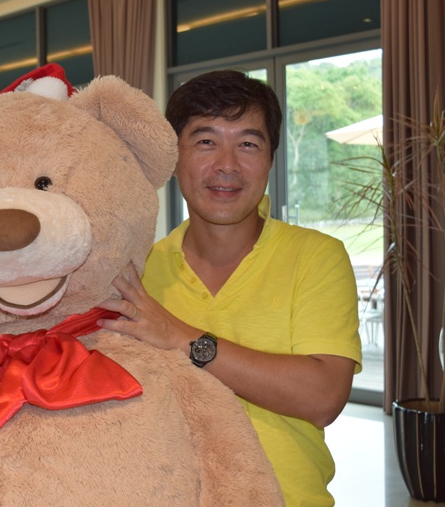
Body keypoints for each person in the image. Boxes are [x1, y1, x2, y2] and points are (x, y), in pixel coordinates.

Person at [98, 70, 362, 506]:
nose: (227, 165)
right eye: (206, 141)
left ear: (271, 159)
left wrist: (182, 337)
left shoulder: (316, 256)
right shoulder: (137, 272)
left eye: (248, 144)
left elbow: (322, 397)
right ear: (174, 158)